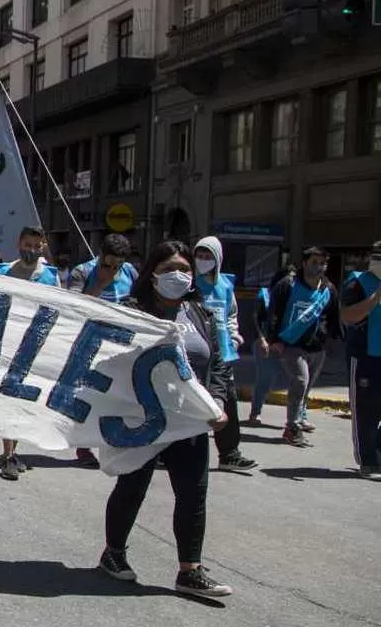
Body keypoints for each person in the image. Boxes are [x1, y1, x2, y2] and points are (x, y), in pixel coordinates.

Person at [99, 240, 234, 597]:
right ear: (152, 275)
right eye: (169, 269)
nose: (178, 276)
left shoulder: (200, 313)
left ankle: (189, 570)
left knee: (193, 495)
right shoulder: (132, 310)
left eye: (185, 270)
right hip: (142, 419)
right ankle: (113, 553)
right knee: (132, 487)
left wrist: (217, 401)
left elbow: (216, 363)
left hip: (189, 422)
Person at [65, 233, 138, 468]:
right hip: (91, 345)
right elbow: (74, 306)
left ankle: (114, 440)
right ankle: (84, 447)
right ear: (100, 256)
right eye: (108, 264)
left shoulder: (130, 273)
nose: (114, 270)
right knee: (88, 396)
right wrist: (99, 284)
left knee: (118, 396)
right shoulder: (82, 272)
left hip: (122, 346)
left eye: (118, 265)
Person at [0, 226, 59, 478]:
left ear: (42, 247)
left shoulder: (50, 276)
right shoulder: (3, 272)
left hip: (35, 345)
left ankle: (12, 450)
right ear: (19, 243)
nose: (31, 250)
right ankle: (8, 455)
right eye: (27, 244)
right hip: (8, 343)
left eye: (36, 245)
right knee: (8, 399)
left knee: (23, 402)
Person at [191, 236, 257, 470]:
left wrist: (235, 337)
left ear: (218, 259)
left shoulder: (225, 286)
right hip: (196, 350)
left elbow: (231, 315)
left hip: (223, 352)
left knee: (227, 400)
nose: (203, 260)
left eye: (208, 256)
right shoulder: (189, 284)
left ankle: (229, 453)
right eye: (200, 256)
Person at [268, 246, 342, 449]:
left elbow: (334, 315)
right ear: (304, 263)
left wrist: (334, 338)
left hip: (317, 347)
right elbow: (273, 312)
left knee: (307, 385)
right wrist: (273, 339)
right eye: (315, 262)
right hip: (291, 344)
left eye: (323, 263)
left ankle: (300, 415)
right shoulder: (288, 285)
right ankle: (291, 427)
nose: (319, 267)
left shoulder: (328, 289)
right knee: (300, 381)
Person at [340, 240, 381, 479]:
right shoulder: (357, 283)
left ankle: (377, 449)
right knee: (366, 411)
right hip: (365, 356)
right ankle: (368, 461)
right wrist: (375, 298)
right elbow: (347, 316)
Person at [246, 267, 292, 425]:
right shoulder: (265, 294)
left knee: (298, 381)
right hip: (266, 343)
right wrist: (262, 339)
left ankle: (298, 417)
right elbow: (256, 318)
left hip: (287, 345)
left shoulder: (293, 296)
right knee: (265, 379)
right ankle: (255, 413)